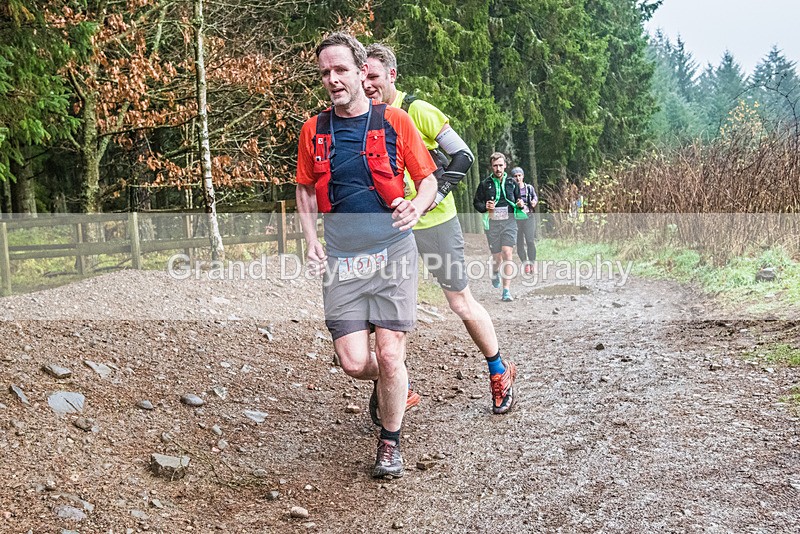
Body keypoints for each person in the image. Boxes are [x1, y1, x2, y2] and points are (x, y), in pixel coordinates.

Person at [295, 33, 438, 478]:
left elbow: (428, 178)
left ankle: (390, 444)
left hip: (393, 251)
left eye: (341, 70)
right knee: (356, 361)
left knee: (390, 353)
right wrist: (310, 239)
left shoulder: (395, 121)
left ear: (362, 72)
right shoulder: (313, 130)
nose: (333, 79)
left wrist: (417, 205)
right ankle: (396, 382)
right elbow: (303, 188)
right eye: (325, 73)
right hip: (342, 259)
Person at [363, 43, 518, 418]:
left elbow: (463, 155)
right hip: (391, 227)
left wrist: (437, 193)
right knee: (382, 311)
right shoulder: (360, 116)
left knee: (459, 301)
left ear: (391, 76)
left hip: (435, 222)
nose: (367, 84)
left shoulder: (417, 109)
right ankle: (394, 383)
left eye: (374, 77)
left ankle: (499, 370)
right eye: (362, 76)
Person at [473, 152, 524, 302]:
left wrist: (520, 203)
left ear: (505, 166)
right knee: (497, 257)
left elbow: (518, 199)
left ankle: (506, 290)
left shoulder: (511, 182)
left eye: (501, 165)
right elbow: (477, 203)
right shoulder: (484, 184)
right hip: (492, 223)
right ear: (491, 167)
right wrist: (485, 207)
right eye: (495, 166)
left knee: (507, 253)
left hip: (509, 221)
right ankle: (495, 272)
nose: (498, 168)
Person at [510, 166, 538, 274]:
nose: (517, 178)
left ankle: (532, 263)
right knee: (519, 243)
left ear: (523, 176)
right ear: (512, 178)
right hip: (516, 219)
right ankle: (525, 263)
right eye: (515, 176)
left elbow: (535, 197)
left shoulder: (529, 188)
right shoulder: (510, 189)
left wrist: (534, 202)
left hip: (528, 217)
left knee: (530, 241)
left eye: (519, 175)